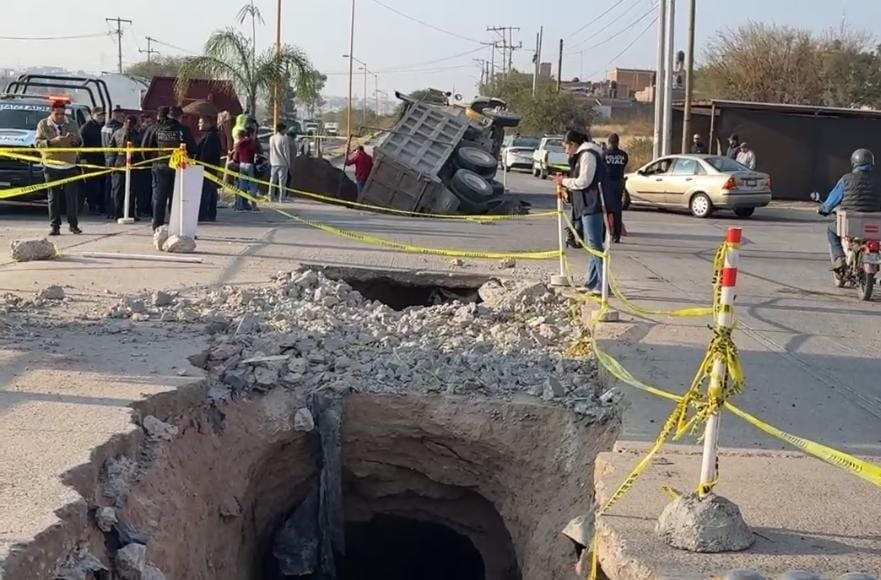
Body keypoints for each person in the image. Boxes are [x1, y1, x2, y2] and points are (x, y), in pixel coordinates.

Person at [555, 129, 606, 294]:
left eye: (566, 147)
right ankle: (592, 281)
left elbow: (585, 181)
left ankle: (603, 284)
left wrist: (565, 181)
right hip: (583, 204)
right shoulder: (580, 156)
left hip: (592, 204)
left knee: (595, 245)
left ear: (574, 144)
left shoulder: (588, 155)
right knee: (590, 244)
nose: (565, 151)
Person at [818, 148, 881, 271]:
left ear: (854, 163)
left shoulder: (846, 180)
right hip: (875, 225)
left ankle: (840, 259)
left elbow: (831, 200)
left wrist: (824, 209)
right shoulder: (879, 180)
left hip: (851, 224)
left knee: (831, 230)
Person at [35, 99, 83, 236]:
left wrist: (75, 141)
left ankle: (73, 225)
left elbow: (80, 141)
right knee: (53, 198)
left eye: (63, 114)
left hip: (70, 165)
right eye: (58, 114)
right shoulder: (43, 124)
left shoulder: (72, 123)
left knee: (71, 198)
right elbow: (37, 143)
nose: (61, 117)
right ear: (52, 113)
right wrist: (52, 142)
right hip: (51, 165)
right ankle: (55, 226)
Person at [141, 106, 188, 230]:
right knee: (176, 197)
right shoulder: (182, 129)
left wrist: (150, 162)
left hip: (159, 166)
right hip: (178, 167)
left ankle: (157, 225)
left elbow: (144, 148)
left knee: (158, 197)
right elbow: (193, 148)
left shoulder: (154, 128)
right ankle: (176, 226)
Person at [107, 115, 142, 220]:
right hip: (131, 163)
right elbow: (140, 149)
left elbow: (111, 148)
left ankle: (116, 212)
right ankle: (129, 213)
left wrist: (111, 164)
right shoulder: (136, 134)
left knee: (118, 190)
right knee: (130, 190)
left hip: (118, 162)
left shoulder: (117, 132)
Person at [79, 106, 106, 215]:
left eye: (103, 115)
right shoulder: (86, 128)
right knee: (92, 185)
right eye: (99, 115)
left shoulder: (104, 127)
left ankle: (101, 206)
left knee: (103, 185)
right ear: (92, 115)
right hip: (90, 160)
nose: (102, 117)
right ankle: (92, 205)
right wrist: (83, 159)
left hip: (102, 160)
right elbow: (80, 145)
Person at [603, 133, 629, 243]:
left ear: (609, 142)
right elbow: (623, 166)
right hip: (619, 184)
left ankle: (603, 234)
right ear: (618, 142)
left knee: (605, 211)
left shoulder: (604, 154)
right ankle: (616, 236)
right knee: (617, 211)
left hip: (607, 185)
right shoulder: (623, 155)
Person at [196, 114, 223, 221]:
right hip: (210, 169)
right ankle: (210, 214)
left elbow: (206, 154)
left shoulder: (210, 137)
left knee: (206, 192)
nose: (198, 124)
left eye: (201, 122)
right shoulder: (210, 136)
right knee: (211, 192)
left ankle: (204, 214)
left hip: (207, 169)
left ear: (207, 123)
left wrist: (199, 164)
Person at [231, 127, 259, 211]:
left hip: (242, 165)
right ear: (251, 134)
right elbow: (258, 153)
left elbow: (236, 157)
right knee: (252, 186)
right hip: (250, 165)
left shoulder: (239, 143)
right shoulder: (252, 143)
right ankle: (254, 205)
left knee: (242, 185)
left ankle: (239, 205)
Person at [268, 122, 294, 202]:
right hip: (282, 163)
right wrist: (288, 163)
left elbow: (271, 150)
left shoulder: (271, 138)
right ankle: (281, 198)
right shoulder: (284, 138)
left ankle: (270, 196)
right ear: (282, 129)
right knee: (282, 182)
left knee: (272, 181)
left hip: (273, 162)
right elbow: (286, 152)